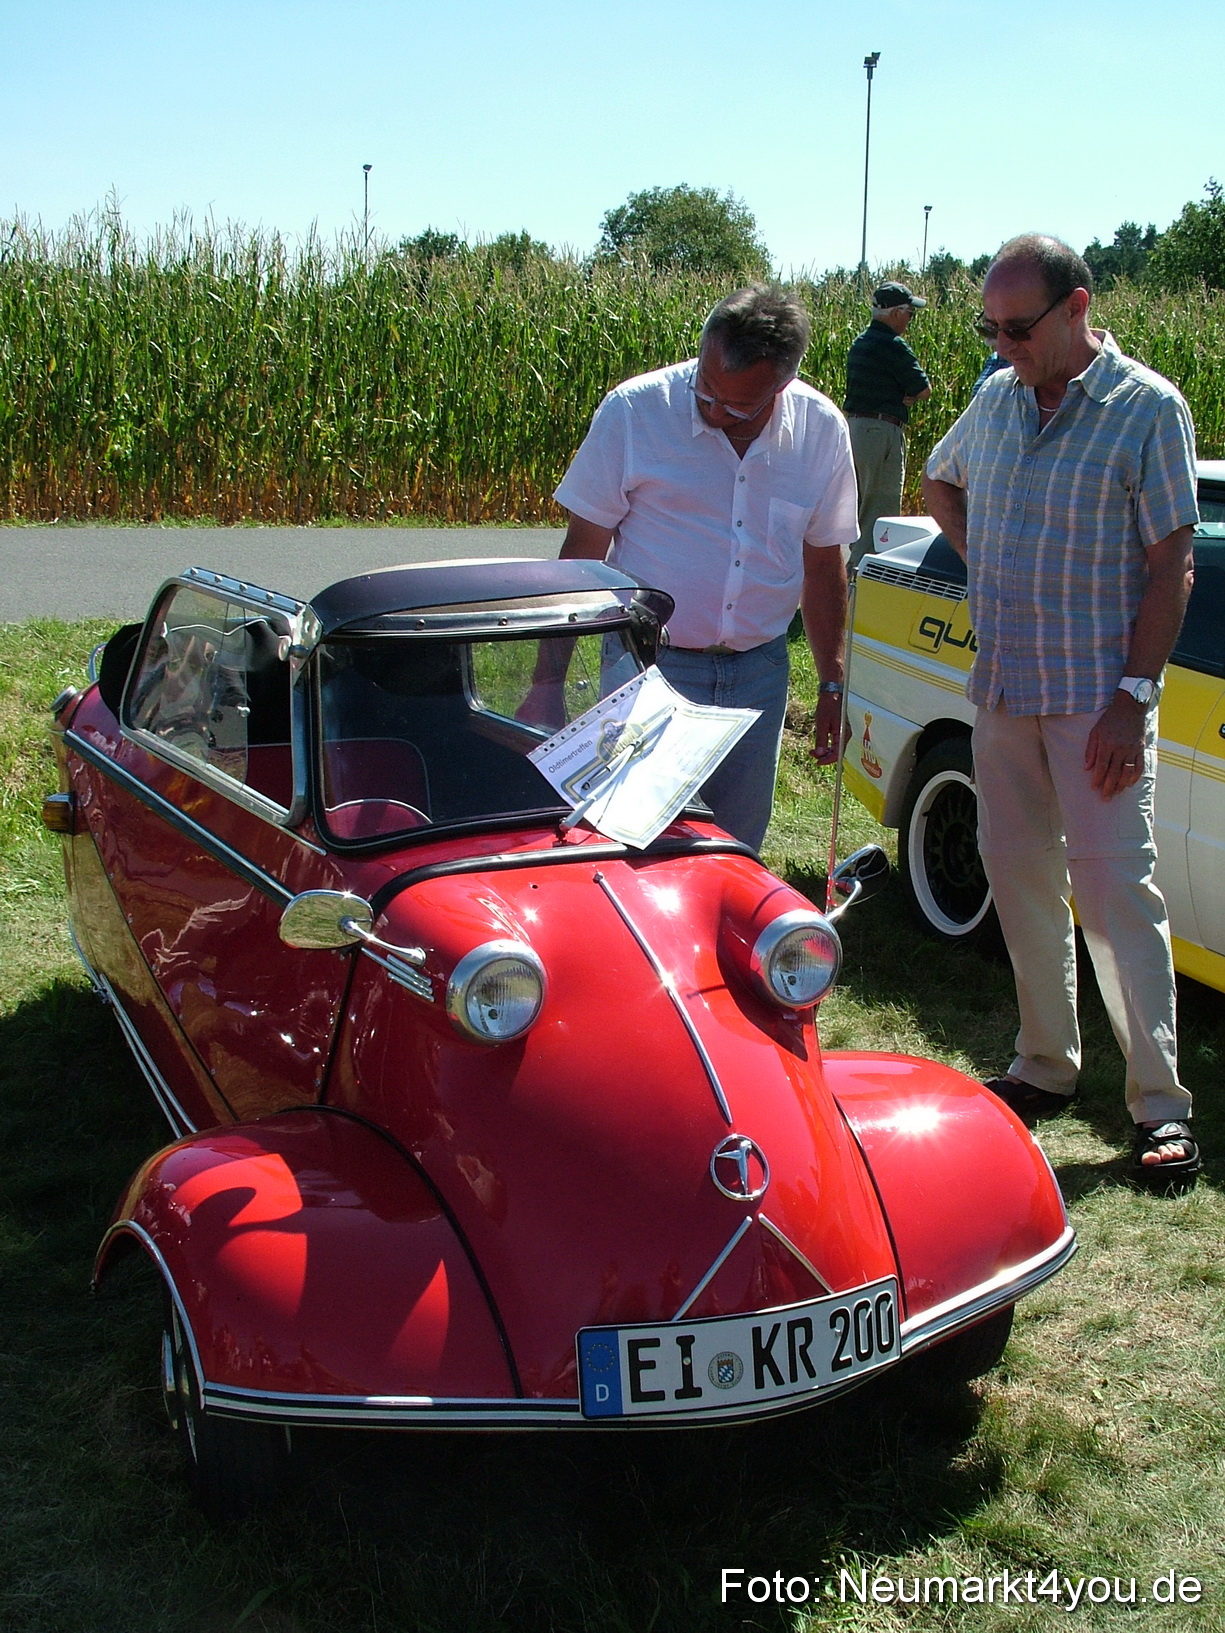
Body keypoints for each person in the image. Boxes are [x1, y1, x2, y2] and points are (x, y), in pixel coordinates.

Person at [922, 233, 1201, 1186]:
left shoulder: (1145, 408)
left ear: (1076, 307)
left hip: (1096, 705)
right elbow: (938, 478)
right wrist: (985, 563)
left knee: (1120, 899)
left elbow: (1172, 564)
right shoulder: (994, 398)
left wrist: (1134, 696)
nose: (1000, 345)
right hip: (1003, 692)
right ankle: (1045, 1065)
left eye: (1017, 327)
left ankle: (1159, 1107)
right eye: (988, 327)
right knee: (1022, 881)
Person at [550, 284, 859, 852]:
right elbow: (583, 552)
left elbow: (823, 564)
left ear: (782, 384)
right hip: (649, 668)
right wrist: (548, 680)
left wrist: (832, 682)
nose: (713, 410)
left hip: (758, 675)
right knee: (629, 841)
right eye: (705, 389)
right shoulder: (636, 413)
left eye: (736, 404)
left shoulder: (821, 432)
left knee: (734, 850)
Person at [843, 282, 932, 565]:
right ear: (895, 313)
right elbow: (923, 389)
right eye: (908, 313)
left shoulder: (860, 343)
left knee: (852, 512)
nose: (909, 319)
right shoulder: (893, 345)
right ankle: (859, 585)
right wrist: (904, 396)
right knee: (878, 516)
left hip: (854, 431)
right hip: (881, 432)